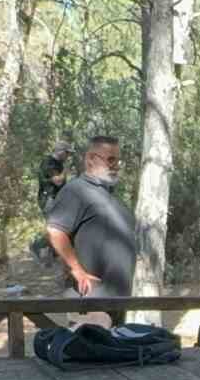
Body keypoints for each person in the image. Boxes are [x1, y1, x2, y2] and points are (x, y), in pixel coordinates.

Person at [45, 136, 134, 325]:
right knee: (91, 352)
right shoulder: (76, 191)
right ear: (90, 159)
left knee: (114, 353)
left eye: (118, 160)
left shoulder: (110, 196)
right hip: (90, 299)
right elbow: (55, 231)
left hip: (116, 300)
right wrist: (77, 270)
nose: (116, 165)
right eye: (110, 159)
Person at [29, 142, 71, 260]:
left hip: (57, 200)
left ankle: (53, 253)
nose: (68, 156)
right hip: (49, 200)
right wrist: (66, 170)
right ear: (61, 151)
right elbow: (58, 181)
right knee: (56, 228)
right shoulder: (49, 163)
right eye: (67, 153)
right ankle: (37, 245)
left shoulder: (59, 164)